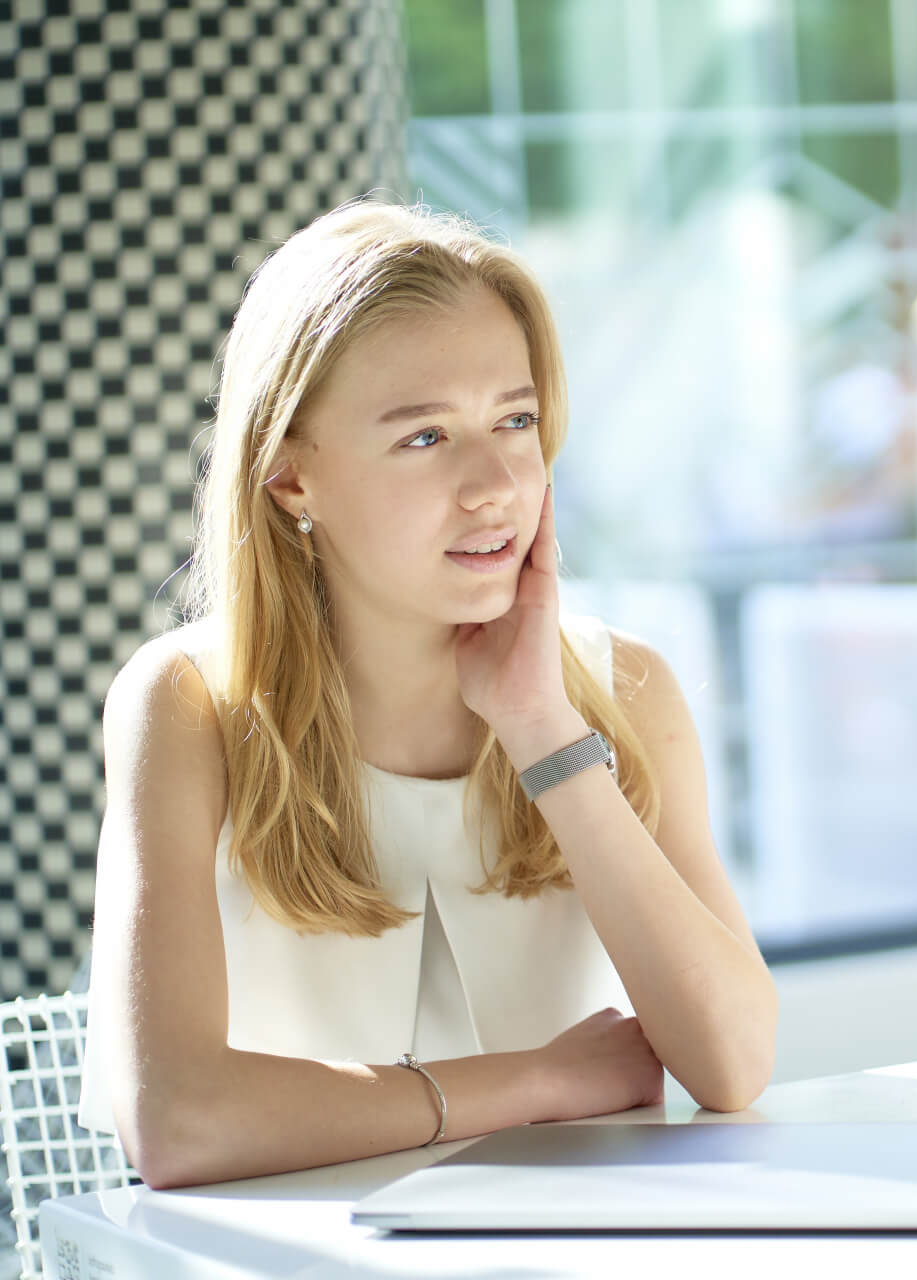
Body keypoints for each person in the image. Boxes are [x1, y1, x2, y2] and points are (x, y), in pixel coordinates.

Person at [79, 201, 778, 1189]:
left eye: (516, 420)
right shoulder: (188, 703)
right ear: (289, 478)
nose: (495, 482)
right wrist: (534, 1080)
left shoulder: (624, 690)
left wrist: (543, 726)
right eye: (423, 438)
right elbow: (177, 1122)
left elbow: (734, 1062)